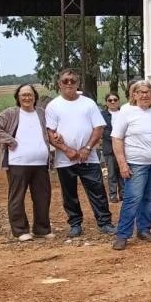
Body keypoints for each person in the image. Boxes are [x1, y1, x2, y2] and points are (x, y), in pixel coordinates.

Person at [45, 68, 115, 237]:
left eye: (73, 81)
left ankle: (104, 222)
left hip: (88, 157)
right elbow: (50, 132)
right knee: (69, 193)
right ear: (59, 84)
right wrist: (67, 150)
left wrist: (87, 148)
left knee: (97, 191)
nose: (69, 84)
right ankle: (75, 223)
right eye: (65, 81)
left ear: (78, 83)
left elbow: (98, 128)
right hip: (65, 159)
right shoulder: (53, 106)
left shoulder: (88, 103)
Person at [0, 83, 53, 242]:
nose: (27, 97)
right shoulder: (11, 113)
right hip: (18, 163)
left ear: (35, 96)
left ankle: (42, 229)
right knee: (17, 197)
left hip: (40, 164)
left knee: (43, 197)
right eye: (24, 95)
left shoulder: (42, 113)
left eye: (30, 94)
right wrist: (8, 140)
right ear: (18, 98)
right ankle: (20, 230)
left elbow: (50, 130)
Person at [110, 80, 151, 251]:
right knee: (132, 198)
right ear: (134, 94)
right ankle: (123, 234)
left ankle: (144, 229)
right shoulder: (126, 111)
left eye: (148, 91)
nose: (145, 95)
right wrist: (122, 163)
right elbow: (116, 138)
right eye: (141, 92)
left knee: (150, 198)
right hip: (136, 164)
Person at [100, 93, 123, 202]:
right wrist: (115, 138)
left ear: (118, 101)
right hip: (109, 149)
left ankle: (123, 194)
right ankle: (113, 195)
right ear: (106, 102)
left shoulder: (124, 113)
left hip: (123, 148)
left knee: (123, 171)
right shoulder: (102, 115)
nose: (113, 102)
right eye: (110, 100)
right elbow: (102, 131)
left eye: (115, 99)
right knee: (112, 173)